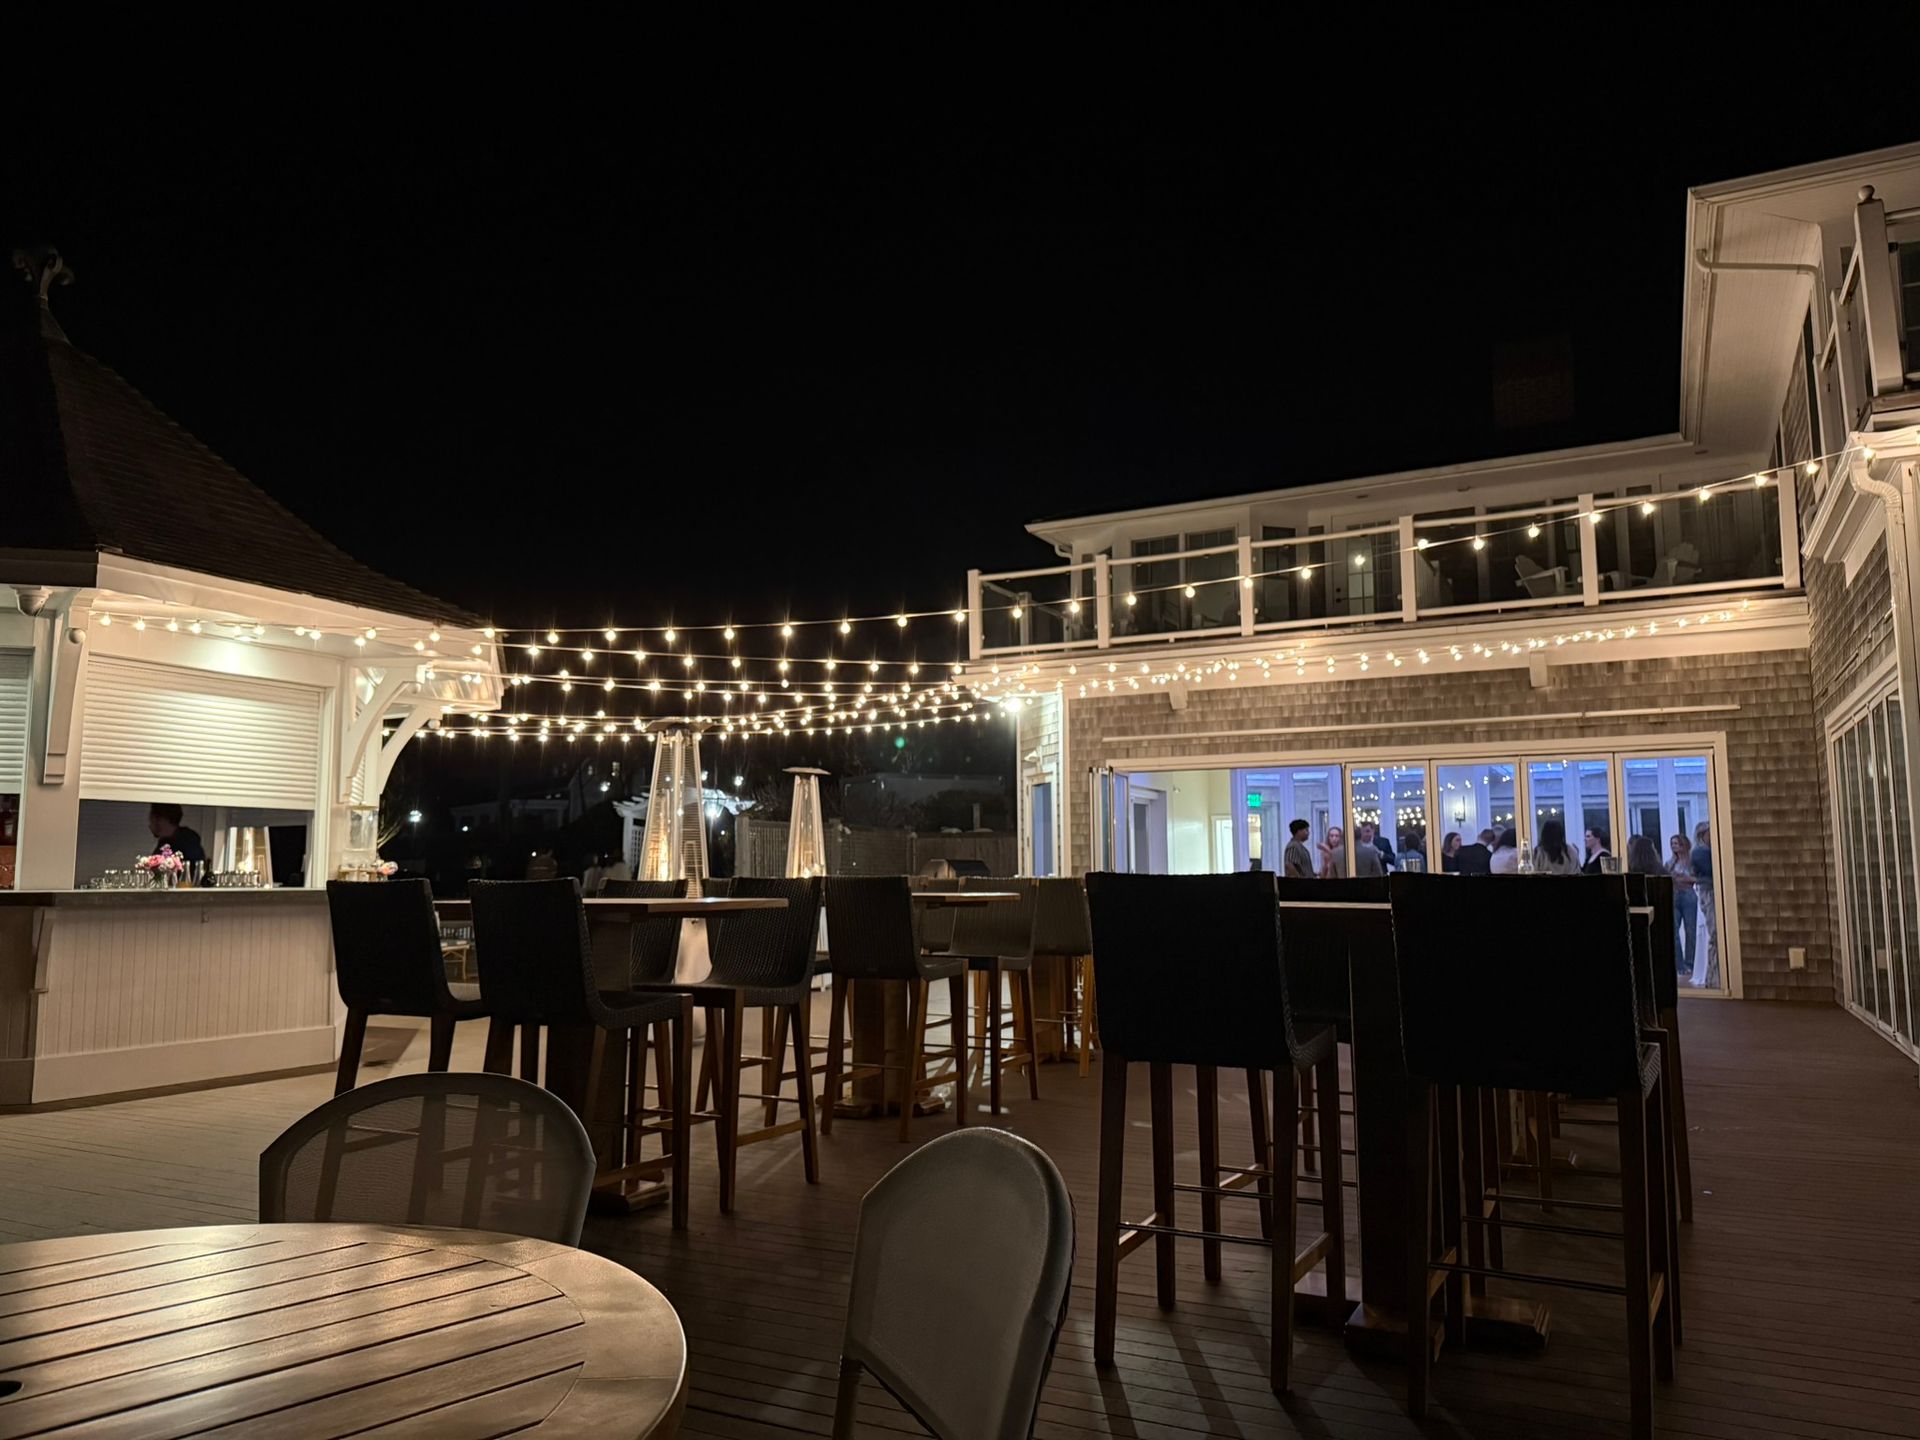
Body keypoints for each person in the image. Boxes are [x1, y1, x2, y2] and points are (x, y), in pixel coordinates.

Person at [1691, 821, 1718, 988]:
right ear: (1703, 834)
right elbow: (1711, 872)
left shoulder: (1702, 851)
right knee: (1715, 934)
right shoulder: (1701, 852)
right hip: (1709, 892)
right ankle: (1712, 978)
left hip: (1707, 891)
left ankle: (1713, 977)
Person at [1669, 833, 1698, 979]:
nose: (1674, 846)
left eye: (1676, 843)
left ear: (1683, 844)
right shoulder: (1670, 863)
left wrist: (1686, 878)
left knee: (1690, 930)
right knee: (1673, 931)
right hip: (1674, 895)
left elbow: (1697, 878)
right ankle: (1679, 965)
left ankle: (1690, 963)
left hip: (1688, 895)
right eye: (1672, 843)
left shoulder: (1691, 862)